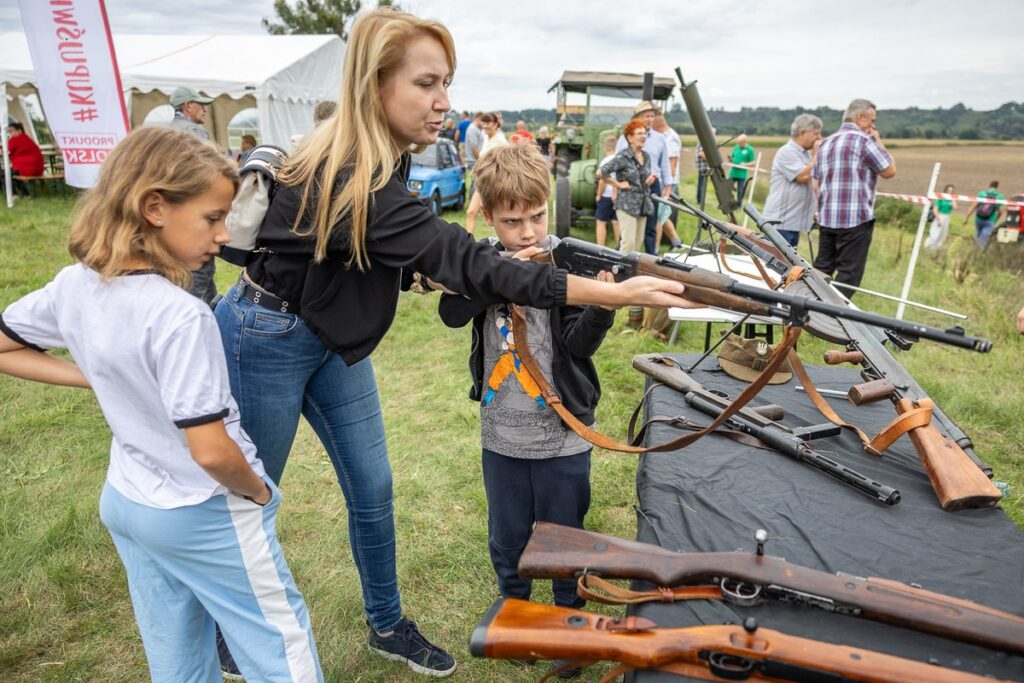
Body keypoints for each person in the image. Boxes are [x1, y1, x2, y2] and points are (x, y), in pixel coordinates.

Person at [211, 8, 690, 679]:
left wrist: (411, 270)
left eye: (448, 82)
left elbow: (393, 255)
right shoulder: (358, 175)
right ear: (376, 86)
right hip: (267, 332)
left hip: (331, 338)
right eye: (427, 83)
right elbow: (473, 263)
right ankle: (229, 636)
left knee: (374, 491)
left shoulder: (389, 164)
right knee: (252, 499)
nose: (445, 101)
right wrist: (616, 292)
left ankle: (386, 623)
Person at [0, 127, 322, 683]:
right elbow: (211, 450)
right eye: (211, 218)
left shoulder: (74, 285)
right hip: (201, 507)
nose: (224, 235)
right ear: (154, 208)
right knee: (280, 647)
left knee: (174, 653)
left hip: (128, 498)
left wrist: (98, 377)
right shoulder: (180, 316)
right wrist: (257, 492)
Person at [438, 142, 614, 680]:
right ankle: (514, 613)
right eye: (514, 222)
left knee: (565, 535)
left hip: (563, 434)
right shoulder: (482, 259)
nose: (530, 232)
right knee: (508, 535)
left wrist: (602, 309)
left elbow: (577, 345)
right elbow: (450, 311)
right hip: (503, 435)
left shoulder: (566, 260)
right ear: (489, 216)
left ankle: (568, 624)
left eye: (538, 216)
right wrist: (499, 272)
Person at [812, 98, 895, 292]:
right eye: (872, 121)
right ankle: (835, 316)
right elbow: (889, 170)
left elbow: (816, 182)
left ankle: (810, 308)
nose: (873, 126)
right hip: (855, 220)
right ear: (860, 118)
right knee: (848, 277)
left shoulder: (826, 143)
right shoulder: (864, 141)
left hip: (827, 218)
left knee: (821, 270)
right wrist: (879, 141)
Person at [168, 86, 219, 306]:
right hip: (197, 210)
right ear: (188, 105)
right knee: (200, 271)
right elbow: (210, 172)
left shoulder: (165, 132)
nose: (205, 110)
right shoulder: (196, 133)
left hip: (174, 213)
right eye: (201, 105)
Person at [616, 101, 671, 254]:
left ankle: (649, 258)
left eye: (652, 116)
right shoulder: (626, 138)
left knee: (651, 225)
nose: (650, 119)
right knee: (630, 225)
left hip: (653, 185)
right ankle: (625, 258)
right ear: (638, 117)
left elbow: (664, 164)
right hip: (632, 185)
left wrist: (668, 185)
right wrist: (618, 185)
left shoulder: (660, 139)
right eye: (647, 116)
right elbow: (617, 163)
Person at [761, 114, 823, 247]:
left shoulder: (806, 155)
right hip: (780, 223)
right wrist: (819, 154)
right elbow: (802, 177)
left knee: (789, 266)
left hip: (793, 223)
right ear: (802, 133)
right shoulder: (787, 152)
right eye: (816, 133)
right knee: (777, 264)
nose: (819, 138)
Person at [465, 112, 507, 233]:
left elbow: (507, 162)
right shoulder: (486, 137)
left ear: (495, 124)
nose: (485, 125)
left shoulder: (500, 140)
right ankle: (468, 244)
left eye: (488, 123)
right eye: (483, 122)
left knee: (499, 217)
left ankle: (505, 246)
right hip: (483, 182)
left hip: (495, 184)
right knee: (471, 212)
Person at [652, 113, 684, 250]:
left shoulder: (670, 139)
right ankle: (676, 243)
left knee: (658, 218)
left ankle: (655, 249)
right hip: (663, 182)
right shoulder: (663, 137)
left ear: (656, 125)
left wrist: (667, 187)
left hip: (666, 184)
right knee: (663, 216)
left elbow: (672, 163)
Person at [5, 121, 45, 198]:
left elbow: (7, 151)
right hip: (38, 169)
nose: (10, 133)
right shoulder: (26, 138)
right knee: (10, 173)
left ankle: (15, 194)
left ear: (19, 130)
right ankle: (24, 193)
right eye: (9, 131)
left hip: (26, 168)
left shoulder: (14, 140)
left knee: (5, 174)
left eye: (12, 130)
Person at [594, 135, 620, 249]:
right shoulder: (620, 159)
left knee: (601, 221)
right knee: (616, 222)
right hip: (619, 196)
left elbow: (602, 181)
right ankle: (619, 248)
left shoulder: (606, 160)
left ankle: (600, 248)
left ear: (606, 148)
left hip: (606, 196)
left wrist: (599, 195)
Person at [963, 180, 1004, 249]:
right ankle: (978, 252)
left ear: (989, 186)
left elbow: (973, 207)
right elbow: (1000, 212)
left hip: (978, 219)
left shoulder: (982, 194)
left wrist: (966, 218)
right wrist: (995, 221)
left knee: (979, 235)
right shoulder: (999, 197)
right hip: (990, 220)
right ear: (997, 187)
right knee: (983, 237)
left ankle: (974, 250)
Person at [924, 184, 957, 253]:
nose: (950, 192)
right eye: (948, 190)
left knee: (943, 234)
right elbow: (935, 209)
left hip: (947, 216)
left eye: (951, 191)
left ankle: (935, 249)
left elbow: (955, 208)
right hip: (939, 215)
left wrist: (953, 200)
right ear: (945, 190)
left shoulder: (951, 200)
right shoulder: (940, 198)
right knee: (934, 233)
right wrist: (939, 219)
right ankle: (927, 247)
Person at [729, 133, 756, 204]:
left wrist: (745, 164)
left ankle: (738, 204)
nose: (739, 144)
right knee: (728, 187)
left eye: (740, 143)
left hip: (742, 174)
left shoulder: (750, 150)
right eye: (738, 143)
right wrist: (730, 159)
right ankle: (729, 201)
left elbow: (753, 162)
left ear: (745, 142)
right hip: (733, 172)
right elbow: (732, 156)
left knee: (740, 190)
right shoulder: (736, 147)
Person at [694, 126, 716, 208]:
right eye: (713, 134)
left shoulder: (704, 141)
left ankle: (700, 199)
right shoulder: (704, 142)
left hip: (704, 167)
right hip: (703, 167)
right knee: (702, 185)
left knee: (702, 184)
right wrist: (711, 159)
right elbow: (701, 154)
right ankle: (700, 200)